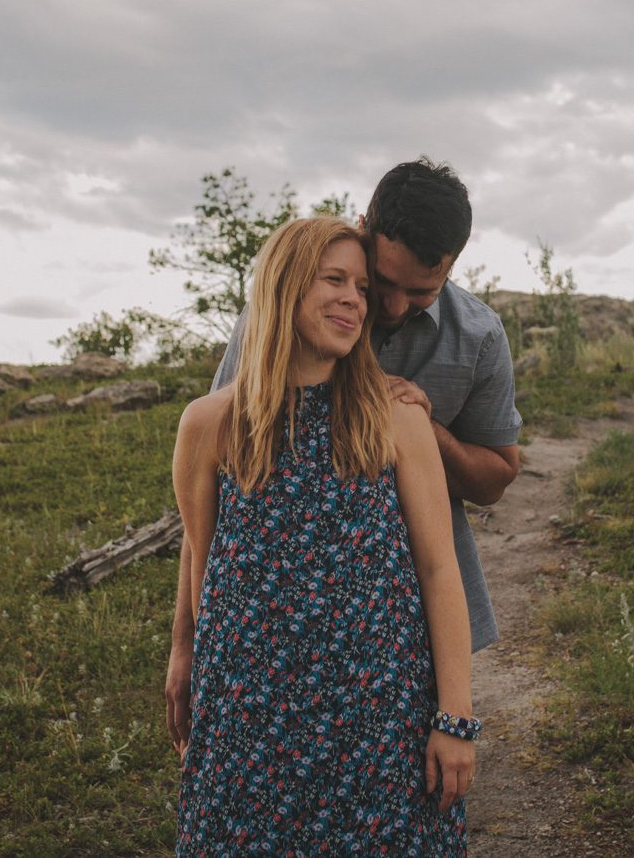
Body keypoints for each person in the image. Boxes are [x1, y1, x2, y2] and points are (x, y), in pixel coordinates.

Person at [167, 159, 521, 751]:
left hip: (407, 625)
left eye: (422, 291)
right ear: (365, 227)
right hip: (269, 642)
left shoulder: (478, 337)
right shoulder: (272, 319)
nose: (394, 305)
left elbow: (496, 477)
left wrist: (425, 430)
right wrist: (185, 647)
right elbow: (213, 503)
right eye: (383, 284)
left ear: (453, 264)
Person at [172, 216, 476, 853]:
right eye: (333, 279)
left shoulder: (395, 420)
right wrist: (190, 667)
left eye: (362, 288)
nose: (354, 299)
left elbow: (439, 572)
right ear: (284, 286)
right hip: (248, 729)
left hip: (377, 724)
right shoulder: (210, 424)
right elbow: (203, 569)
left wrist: (455, 717)